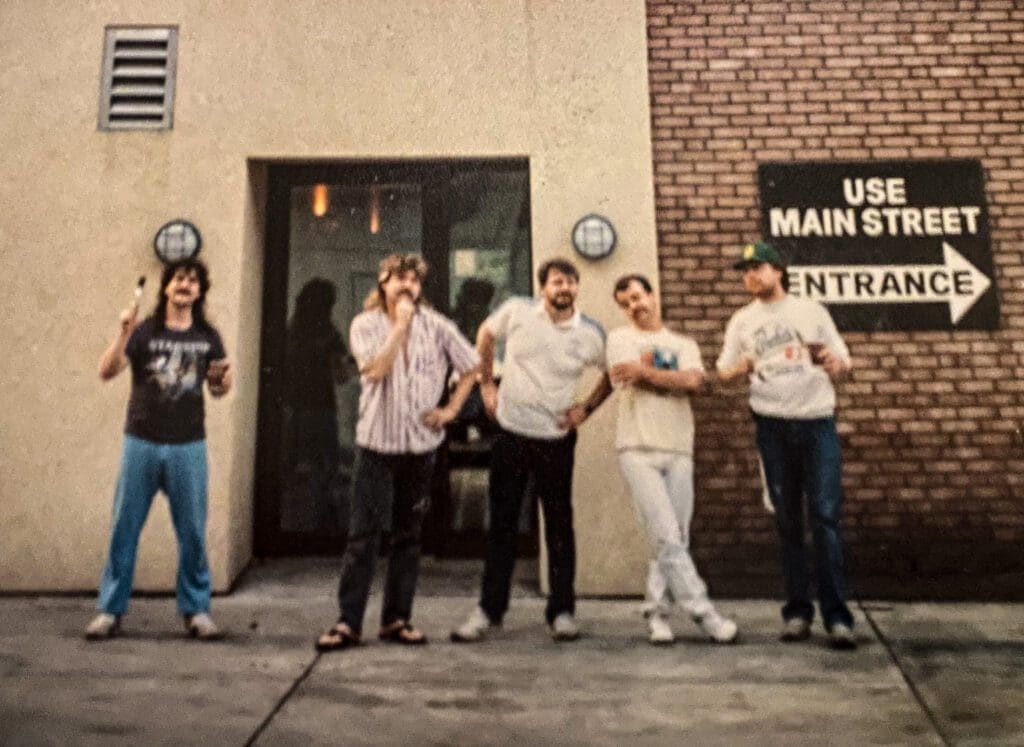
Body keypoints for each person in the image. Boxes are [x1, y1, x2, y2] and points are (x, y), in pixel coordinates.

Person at [315, 254, 479, 651]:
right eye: (399, 279)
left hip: (421, 447)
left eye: (414, 281)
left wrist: (451, 410)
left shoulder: (438, 326)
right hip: (376, 445)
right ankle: (348, 622)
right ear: (383, 283)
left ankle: (396, 619)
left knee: (409, 537)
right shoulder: (364, 324)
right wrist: (401, 326)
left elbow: (472, 366)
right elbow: (374, 369)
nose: (408, 286)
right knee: (363, 538)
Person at [451, 258, 611, 643]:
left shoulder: (589, 333)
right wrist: (486, 385)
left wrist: (586, 409)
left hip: (555, 440)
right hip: (511, 434)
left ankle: (562, 612)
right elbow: (485, 336)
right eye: (557, 282)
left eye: (571, 282)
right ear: (543, 288)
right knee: (502, 525)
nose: (565, 288)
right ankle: (489, 611)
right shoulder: (517, 312)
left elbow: (612, 373)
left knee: (558, 526)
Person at [716, 241, 857, 650]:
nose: (751, 276)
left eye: (757, 267)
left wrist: (834, 362)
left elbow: (844, 360)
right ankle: (797, 612)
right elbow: (723, 372)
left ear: (778, 270)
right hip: (772, 427)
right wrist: (737, 368)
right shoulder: (742, 321)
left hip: (816, 423)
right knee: (787, 521)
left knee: (826, 517)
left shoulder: (810, 311)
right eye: (745, 270)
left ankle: (837, 617)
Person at [86, 258, 232, 641]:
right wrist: (122, 334)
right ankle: (109, 611)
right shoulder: (144, 331)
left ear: (200, 291)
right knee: (124, 527)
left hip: (189, 445)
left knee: (193, 533)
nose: (186, 284)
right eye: (179, 278)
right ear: (166, 287)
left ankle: (197, 611)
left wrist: (220, 382)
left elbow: (217, 389)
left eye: (193, 280)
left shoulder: (208, 336)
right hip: (141, 442)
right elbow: (106, 370)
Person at [607, 274, 738, 645]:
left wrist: (647, 373)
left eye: (638, 297)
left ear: (652, 295)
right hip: (636, 446)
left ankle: (657, 614)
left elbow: (696, 383)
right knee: (666, 534)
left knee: (673, 536)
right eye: (626, 302)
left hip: (679, 446)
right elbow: (626, 378)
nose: (635, 306)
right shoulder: (620, 339)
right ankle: (705, 614)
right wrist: (672, 378)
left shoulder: (683, 343)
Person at [283, 278, 354, 531]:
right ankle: (324, 519)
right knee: (325, 466)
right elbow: (342, 375)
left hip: (291, 407)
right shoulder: (329, 334)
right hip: (320, 408)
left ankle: (301, 522)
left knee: (296, 467)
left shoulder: (290, 331)